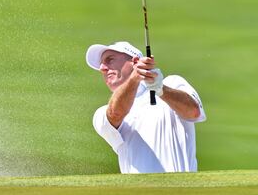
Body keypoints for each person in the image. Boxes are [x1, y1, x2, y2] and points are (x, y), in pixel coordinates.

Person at [86, 41, 206, 173]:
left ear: (135, 62)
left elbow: (193, 112)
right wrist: (134, 78)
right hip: (137, 193)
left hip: (181, 191)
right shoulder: (102, 113)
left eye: (110, 60)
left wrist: (160, 89)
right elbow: (115, 114)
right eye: (101, 64)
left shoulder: (173, 83)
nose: (102, 67)